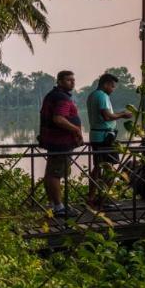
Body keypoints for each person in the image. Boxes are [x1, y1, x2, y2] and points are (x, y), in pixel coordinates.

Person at [38, 70, 83, 217]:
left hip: (53, 141)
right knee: (55, 174)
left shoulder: (53, 95)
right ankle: (59, 208)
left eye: (73, 79)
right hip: (60, 142)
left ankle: (52, 204)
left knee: (50, 173)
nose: (72, 82)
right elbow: (59, 119)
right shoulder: (62, 98)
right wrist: (76, 129)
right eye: (69, 80)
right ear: (59, 81)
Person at [85, 73, 131, 209]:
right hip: (104, 138)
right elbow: (107, 116)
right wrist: (123, 114)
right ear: (105, 84)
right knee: (110, 169)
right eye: (112, 86)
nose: (113, 89)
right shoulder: (102, 96)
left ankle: (92, 198)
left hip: (97, 136)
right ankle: (103, 199)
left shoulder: (93, 95)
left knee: (98, 168)